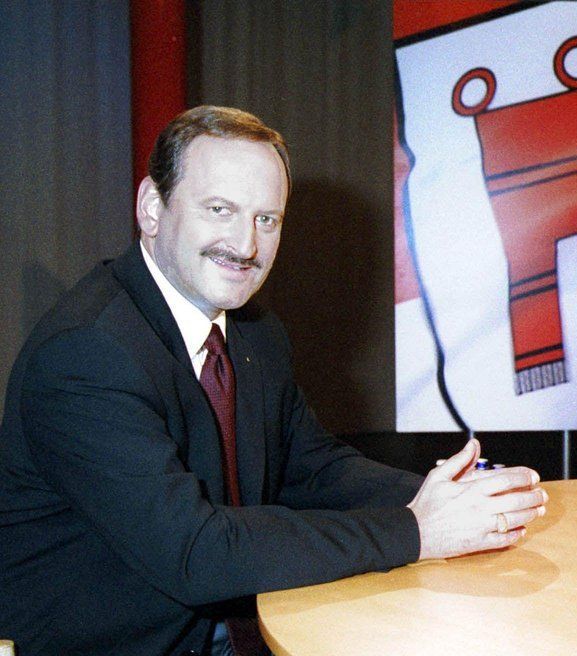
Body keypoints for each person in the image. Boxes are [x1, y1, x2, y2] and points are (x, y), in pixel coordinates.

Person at [0, 106, 547, 655]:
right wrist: (418, 532)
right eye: (220, 210)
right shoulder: (86, 353)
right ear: (151, 208)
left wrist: (443, 497)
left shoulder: (253, 330)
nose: (245, 246)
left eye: (267, 219)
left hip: (236, 622)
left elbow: (310, 466)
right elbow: (196, 553)